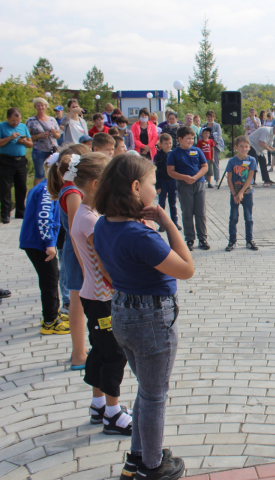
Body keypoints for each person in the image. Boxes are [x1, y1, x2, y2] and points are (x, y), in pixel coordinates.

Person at [93, 152, 194, 480]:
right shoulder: (141, 236)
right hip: (151, 320)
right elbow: (187, 268)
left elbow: (107, 272)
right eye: (152, 184)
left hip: (122, 312)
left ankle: (138, 455)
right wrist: (167, 223)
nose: (156, 190)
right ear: (136, 188)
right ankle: (152, 466)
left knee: (146, 391)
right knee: (154, 396)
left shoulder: (103, 224)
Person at [67, 152, 132, 436]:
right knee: (114, 354)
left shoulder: (84, 212)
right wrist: (122, 283)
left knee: (100, 349)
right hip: (101, 298)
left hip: (93, 295)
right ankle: (113, 413)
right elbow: (103, 261)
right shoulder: (90, 220)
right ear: (95, 183)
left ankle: (98, 404)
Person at [47, 144, 92, 368]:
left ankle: (81, 347)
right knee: (77, 303)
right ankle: (78, 354)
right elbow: (76, 231)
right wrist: (85, 262)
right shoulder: (73, 192)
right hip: (77, 254)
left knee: (80, 303)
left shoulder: (69, 188)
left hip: (78, 252)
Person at [19, 158, 65, 334]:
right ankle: (50, 321)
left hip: (35, 242)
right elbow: (45, 219)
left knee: (50, 279)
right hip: (39, 244)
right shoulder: (46, 191)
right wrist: (50, 244)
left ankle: (52, 314)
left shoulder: (41, 187)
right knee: (50, 280)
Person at [168, 126, 209, 251]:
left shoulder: (197, 151)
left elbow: (205, 166)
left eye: (192, 138)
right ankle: (189, 238)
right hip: (184, 185)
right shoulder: (174, 153)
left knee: (200, 213)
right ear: (180, 139)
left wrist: (196, 177)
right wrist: (184, 177)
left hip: (199, 184)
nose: (191, 141)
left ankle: (203, 239)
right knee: (187, 212)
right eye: (188, 139)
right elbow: (170, 171)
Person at [224, 136, 258, 252]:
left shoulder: (251, 160)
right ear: (236, 147)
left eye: (246, 146)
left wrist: (241, 193)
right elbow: (229, 179)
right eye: (241, 146)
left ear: (249, 147)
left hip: (247, 193)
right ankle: (232, 240)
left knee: (248, 217)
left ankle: (249, 240)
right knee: (233, 217)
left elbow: (250, 177)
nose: (244, 149)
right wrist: (235, 194)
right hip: (235, 192)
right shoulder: (232, 161)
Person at [0, 108, 32, 223]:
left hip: (21, 161)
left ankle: (20, 212)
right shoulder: (2, 126)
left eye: (17, 121)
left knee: (21, 187)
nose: (16, 123)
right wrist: (10, 138)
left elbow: (30, 143)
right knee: (5, 188)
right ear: (8, 118)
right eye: (13, 121)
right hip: (6, 161)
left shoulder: (23, 126)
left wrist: (23, 142)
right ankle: (5, 214)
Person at [27, 97, 61, 186]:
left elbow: (58, 135)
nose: (40, 107)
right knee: (39, 174)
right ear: (35, 107)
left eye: (42, 105)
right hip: (39, 150)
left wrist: (54, 133)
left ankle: (53, 193)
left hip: (52, 149)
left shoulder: (52, 119)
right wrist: (39, 136)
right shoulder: (31, 121)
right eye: (38, 106)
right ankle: (37, 194)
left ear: (46, 106)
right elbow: (27, 137)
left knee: (55, 173)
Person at [154, 134, 180, 233]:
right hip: (162, 182)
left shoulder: (174, 154)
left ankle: (174, 222)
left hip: (173, 181)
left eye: (170, 143)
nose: (168, 145)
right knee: (161, 204)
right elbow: (156, 172)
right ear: (160, 144)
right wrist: (158, 186)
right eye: (166, 143)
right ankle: (162, 224)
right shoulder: (158, 156)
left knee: (173, 203)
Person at [201, 110, 224, 186]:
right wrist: (204, 144)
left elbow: (218, 137)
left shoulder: (217, 126)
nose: (209, 118)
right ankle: (206, 180)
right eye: (208, 117)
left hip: (215, 146)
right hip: (205, 147)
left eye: (211, 117)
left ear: (213, 117)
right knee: (205, 163)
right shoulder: (203, 126)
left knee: (215, 163)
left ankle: (217, 180)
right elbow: (200, 136)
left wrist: (212, 144)